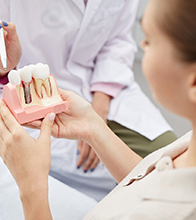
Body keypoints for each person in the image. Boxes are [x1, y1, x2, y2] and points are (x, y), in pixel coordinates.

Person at [0, 0, 196, 219]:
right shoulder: (188, 149)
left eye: (149, 41)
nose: (141, 45)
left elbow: (119, 40)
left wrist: (32, 188)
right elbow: (152, 183)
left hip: (104, 95)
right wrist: (93, 127)